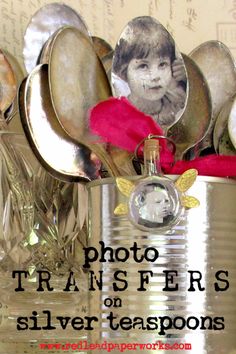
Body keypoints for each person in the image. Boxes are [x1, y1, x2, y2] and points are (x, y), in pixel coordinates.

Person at [112, 16, 187, 130]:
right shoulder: (118, 118)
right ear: (124, 72)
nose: (155, 76)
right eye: (143, 66)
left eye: (162, 64)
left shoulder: (178, 106)